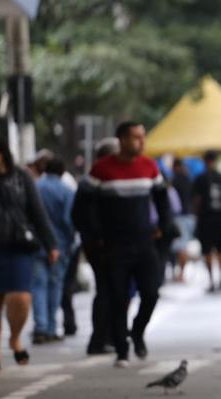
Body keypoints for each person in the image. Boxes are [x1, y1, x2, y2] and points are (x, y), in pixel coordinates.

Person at [83, 122, 172, 366]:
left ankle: (138, 331)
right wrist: (95, 236)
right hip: (114, 246)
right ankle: (122, 349)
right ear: (121, 139)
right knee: (117, 297)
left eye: (143, 137)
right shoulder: (101, 170)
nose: (141, 142)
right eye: (136, 138)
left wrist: (163, 228)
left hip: (144, 243)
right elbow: (82, 207)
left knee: (151, 292)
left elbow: (163, 200)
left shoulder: (149, 167)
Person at [0, 134, 58, 369]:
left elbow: (37, 212)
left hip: (19, 246)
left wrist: (51, 243)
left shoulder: (21, 177)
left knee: (20, 298)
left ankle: (14, 338)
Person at [72, 138, 118, 355]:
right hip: (100, 245)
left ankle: (108, 336)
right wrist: (97, 237)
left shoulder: (97, 180)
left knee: (109, 290)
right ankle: (101, 339)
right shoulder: (93, 182)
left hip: (102, 243)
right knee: (107, 291)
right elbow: (80, 214)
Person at [31, 157, 75, 344]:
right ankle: (50, 327)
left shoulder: (34, 187)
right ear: (62, 172)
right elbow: (68, 220)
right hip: (60, 244)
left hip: (36, 244)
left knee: (38, 285)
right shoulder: (66, 191)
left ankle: (39, 326)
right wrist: (70, 240)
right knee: (55, 285)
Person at [193, 150, 221, 293]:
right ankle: (220, 278)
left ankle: (212, 280)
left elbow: (197, 199)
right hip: (220, 217)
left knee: (207, 249)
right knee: (220, 249)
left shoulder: (200, 178)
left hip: (205, 218)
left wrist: (197, 214)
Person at [170, 158, 195, 283]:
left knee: (181, 246)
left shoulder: (175, 180)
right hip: (189, 215)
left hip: (180, 216)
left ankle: (181, 274)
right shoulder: (188, 179)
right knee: (182, 245)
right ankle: (180, 272)